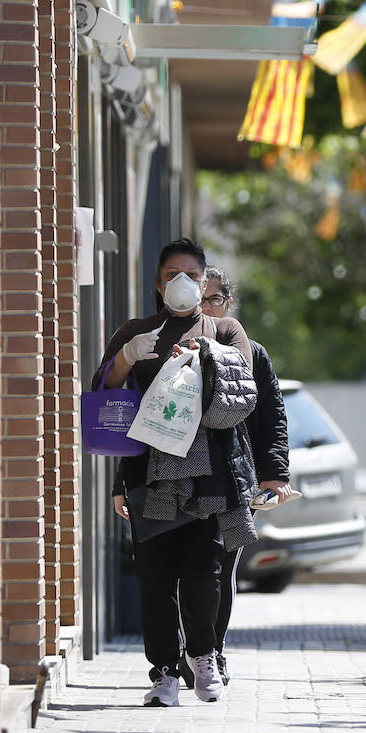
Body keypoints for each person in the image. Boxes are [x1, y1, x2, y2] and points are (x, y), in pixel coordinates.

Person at [97, 238, 259, 708]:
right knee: (155, 575)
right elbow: (105, 399)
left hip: (209, 472)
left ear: (206, 281)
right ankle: (164, 672)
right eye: (172, 275)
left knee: (203, 570)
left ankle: (204, 656)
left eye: (192, 274)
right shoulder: (137, 331)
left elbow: (242, 393)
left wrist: (204, 355)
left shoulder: (226, 328)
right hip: (148, 470)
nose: (182, 283)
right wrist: (128, 355)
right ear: (157, 282)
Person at [190, 267, 292, 686]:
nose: (206, 309)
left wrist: (274, 473)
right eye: (199, 300)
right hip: (184, 478)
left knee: (220, 567)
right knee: (187, 568)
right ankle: (189, 651)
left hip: (234, 478)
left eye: (214, 300)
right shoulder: (175, 351)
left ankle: (212, 650)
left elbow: (272, 417)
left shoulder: (254, 354)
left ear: (228, 306)